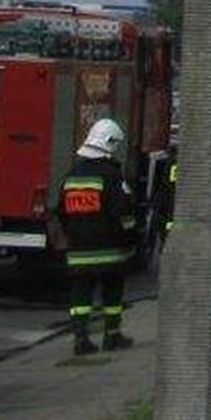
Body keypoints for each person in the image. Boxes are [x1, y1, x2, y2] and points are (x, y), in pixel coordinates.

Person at [55, 118, 138, 355]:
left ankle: (80, 338)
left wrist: (73, 234)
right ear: (110, 143)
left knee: (80, 296)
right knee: (112, 294)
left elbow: (61, 211)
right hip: (110, 252)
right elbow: (123, 213)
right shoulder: (112, 176)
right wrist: (131, 238)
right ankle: (112, 335)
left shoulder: (72, 176)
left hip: (78, 252)